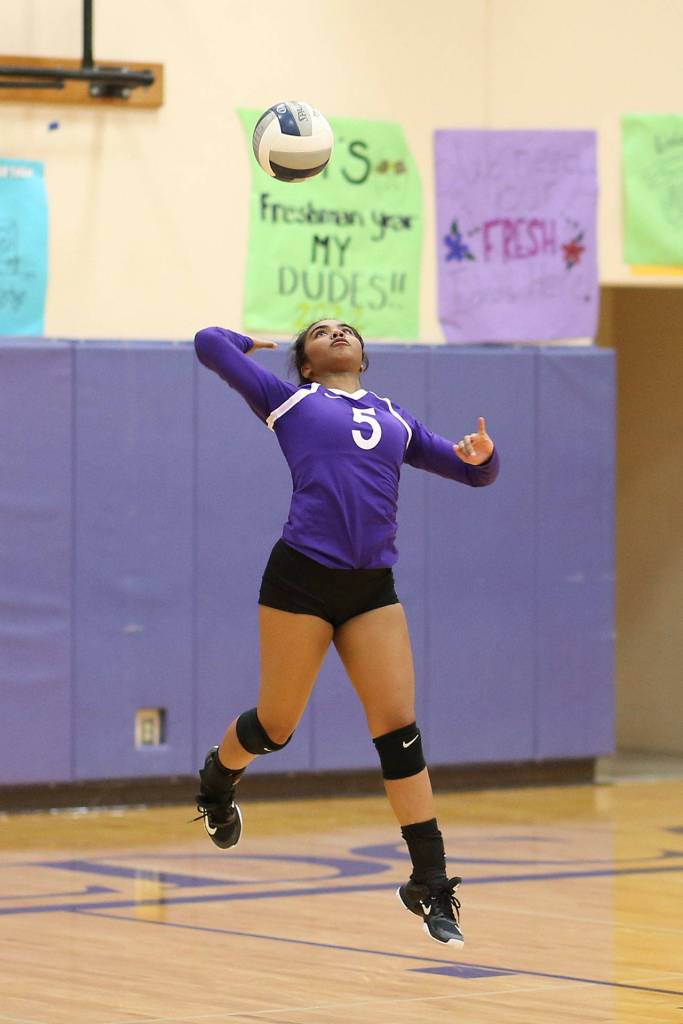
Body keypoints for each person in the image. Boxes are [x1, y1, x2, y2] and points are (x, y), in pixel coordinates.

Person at [193, 319, 500, 946]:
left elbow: (472, 474)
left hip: (369, 587)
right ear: (305, 361)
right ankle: (217, 780)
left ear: (364, 354)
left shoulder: (394, 416)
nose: (336, 334)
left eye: (346, 330)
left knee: (399, 731)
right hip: (301, 578)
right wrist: (247, 340)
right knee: (276, 726)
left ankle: (430, 881)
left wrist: (483, 458)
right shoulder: (290, 400)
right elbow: (207, 344)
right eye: (321, 332)